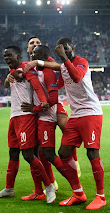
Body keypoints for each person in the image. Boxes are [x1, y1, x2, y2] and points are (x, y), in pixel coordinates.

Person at [32, 38, 106, 210]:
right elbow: (56, 85)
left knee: (92, 153)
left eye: (66, 48)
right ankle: (78, 193)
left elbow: (78, 77)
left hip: (91, 113)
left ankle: (101, 196)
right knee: (64, 152)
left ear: (73, 47)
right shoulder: (64, 67)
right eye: (61, 49)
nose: (64, 51)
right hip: (76, 115)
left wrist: (63, 59)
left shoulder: (81, 62)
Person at [0, 45, 56, 203]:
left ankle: (49, 186)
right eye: (5, 56)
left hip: (26, 116)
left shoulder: (26, 68)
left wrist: (44, 101)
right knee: (13, 153)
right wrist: (9, 77)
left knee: (28, 155)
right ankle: (9, 188)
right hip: (14, 116)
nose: (6, 59)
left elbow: (36, 85)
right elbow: (9, 82)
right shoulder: (13, 71)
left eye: (9, 56)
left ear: (18, 56)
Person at [26, 36, 81, 177]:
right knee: (41, 151)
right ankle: (50, 181)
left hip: (52, 103)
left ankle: (73, 161)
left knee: (66, 128)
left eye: (38, 42)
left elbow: (59, 67)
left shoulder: (47, 61)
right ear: (28, 49)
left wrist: (38, 62)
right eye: (32, 43)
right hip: (38, 110)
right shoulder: (26, 65)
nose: (35, 44)